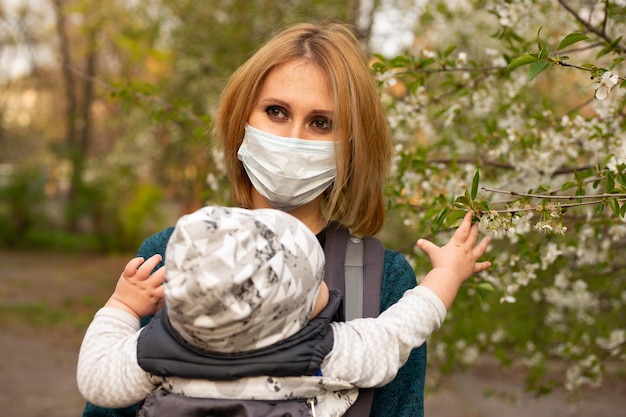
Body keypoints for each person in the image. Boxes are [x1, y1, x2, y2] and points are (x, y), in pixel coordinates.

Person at [80, 21, 470, 417]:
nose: (294, 139)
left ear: (351, 145)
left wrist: (118, 310)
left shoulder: (382, 279)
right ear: (241, 120)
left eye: (322, 123)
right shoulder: (168, 254)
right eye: (276, 112)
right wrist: (445, 280)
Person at [77, 206, 490, 416]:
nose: (328, 286)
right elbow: (398, 332)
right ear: (295, 314)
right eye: (317, 284)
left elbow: (97, 380)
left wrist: (123, 305)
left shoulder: (155, 349)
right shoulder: (321, 352)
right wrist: (448, 275)